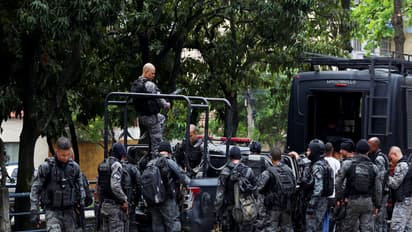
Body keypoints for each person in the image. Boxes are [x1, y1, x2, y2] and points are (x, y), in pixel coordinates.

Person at [30, 137, 85, 231]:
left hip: (70, 212)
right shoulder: (46, 167)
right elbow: (35, 189)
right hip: (52, 211)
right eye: (63, 155)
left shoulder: (74, 168)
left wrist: (81, 206)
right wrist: (34, 210)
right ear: (56, 151)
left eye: (68, 154)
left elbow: (80, 188)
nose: (66, 157)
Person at [335, 139, 382, 232]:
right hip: (368, 202)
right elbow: (378, 189)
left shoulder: (347, 164)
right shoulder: (374, 167)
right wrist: (377, 205)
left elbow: (338, 182)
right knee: (367, 228)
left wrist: (340, 198)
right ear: (368, 152)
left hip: (352, 201)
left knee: (347, 227)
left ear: (356, 151)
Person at [149, 141, 190, 232]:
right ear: (169, 152)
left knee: (157, 225)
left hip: (153, 200)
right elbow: (183, 177)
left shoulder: (151, 163)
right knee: (173, 223)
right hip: (166, 199)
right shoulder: (169, 162)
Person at [131, 63, 171, 156]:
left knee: (161, 118)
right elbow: (159, 98)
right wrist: (166, 105)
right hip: (150, 118)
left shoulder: (136, 84)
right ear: (146, 72)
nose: (154, 75)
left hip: (141, 117)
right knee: (157, 143)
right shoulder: (149, 85)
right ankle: (155, 162)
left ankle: (152, 136)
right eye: (152, 73)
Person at [215, 146, 257, 232]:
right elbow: (255, 191)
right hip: (246, 210)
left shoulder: (225, 172)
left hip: (229, 212)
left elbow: (219, 196)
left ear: (230, 157)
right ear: (240, 157)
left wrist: (216, 212)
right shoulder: (249, 171)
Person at [257, 147, 296, 231]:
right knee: (287, 228)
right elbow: (294, 185)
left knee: (271, 229)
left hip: (273, 207)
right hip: (287, 206)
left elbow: (258, 187)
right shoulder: (289, 170)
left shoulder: (268, 172)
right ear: (281, 158)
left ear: (271, 158)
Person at [98, 142, 129, 232]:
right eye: (123, 155)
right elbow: (115, 186)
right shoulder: (116, 165)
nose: (123, 158)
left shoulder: (103, 164)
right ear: (120, 154)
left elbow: (99, 185)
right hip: (115, 207)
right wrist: (124, 199)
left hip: (104, 205)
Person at [304, 139, 331, 232]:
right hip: (323, 200)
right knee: (318, 227)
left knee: (311, 227)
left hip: (316, 202)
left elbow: (318, 188)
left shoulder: (317, 166)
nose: (307, 152)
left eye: (309, 150)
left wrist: (312, 203)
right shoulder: (325, 163)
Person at [387, 146, 412, 231]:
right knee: (408, 228)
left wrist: (384, 176)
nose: (390, 161)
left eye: (390, 158)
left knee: (396, 228)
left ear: (394, 155)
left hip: (403, 201)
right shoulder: (408, 163)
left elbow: (394, 184)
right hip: (408, 200)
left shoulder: (402, 165)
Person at [368, 137, 389, 232]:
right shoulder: (381, 156)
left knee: (378, 220)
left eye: (369, 144)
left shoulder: (379, 158)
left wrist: (378, 200)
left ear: (374, 145)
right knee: (382, 220)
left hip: (381, 193)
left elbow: (379, 179)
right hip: (383, 192)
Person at [121, 150, 141, 232]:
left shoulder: (120, 166)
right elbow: (139, 185)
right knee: (131, 222)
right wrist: (136, 200)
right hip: (130, 200)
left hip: (119, 199)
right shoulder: (133, 168)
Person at [324, 142, 341, 232]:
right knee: (332, 215)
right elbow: (339, 178)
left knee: (322, 215)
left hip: (323, 194)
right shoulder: (336, 162)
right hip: (333, 194)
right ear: (332, 150)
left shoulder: (321, 161)